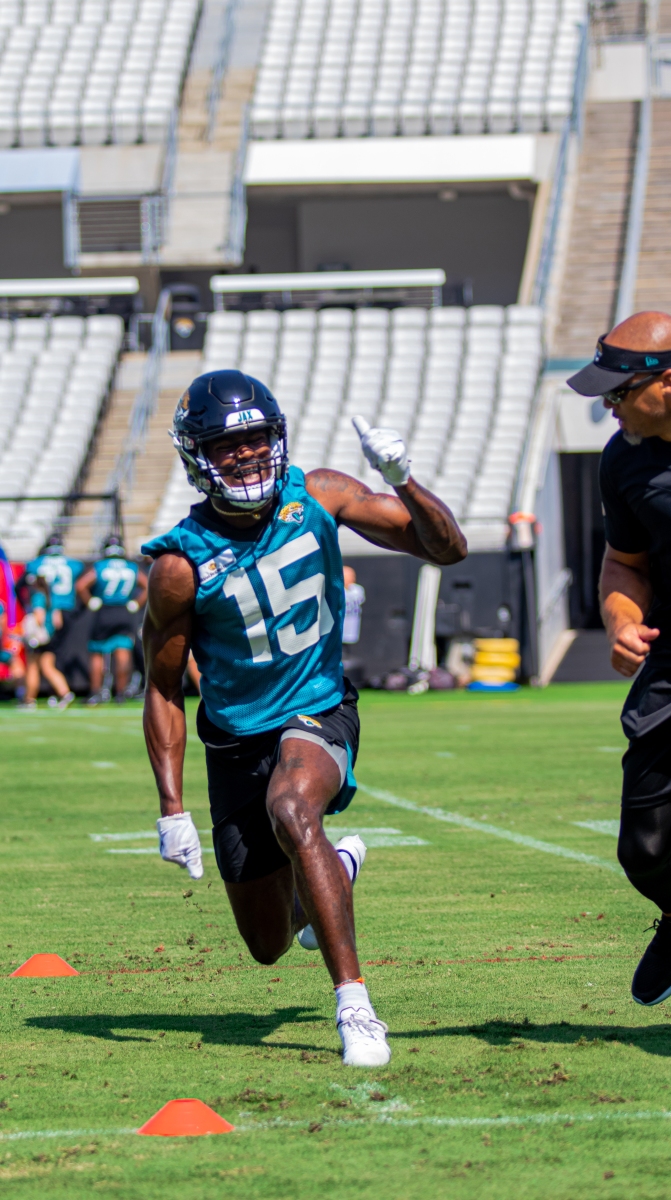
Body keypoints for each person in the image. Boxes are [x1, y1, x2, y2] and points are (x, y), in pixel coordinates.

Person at [141, 369, 466, 1068]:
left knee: (292, 807)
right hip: (235, 740)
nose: (245, 454)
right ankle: (334, 871)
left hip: (317, 708)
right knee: (266, 945)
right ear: (197, 456)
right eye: (225, 445)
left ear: (278, 437)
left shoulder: (319, 493)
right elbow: (163, 686)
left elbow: (447, 548)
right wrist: (171, 807)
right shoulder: (178, 565)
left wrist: (403, 479)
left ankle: (355, 1007)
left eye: (256, 438)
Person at [567, 310, 671, 1007]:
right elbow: (623, 564)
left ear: (666, 382)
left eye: (617, 393)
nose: (607, 407)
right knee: (642, 851)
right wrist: (622, 621)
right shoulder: (623, 459)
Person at [76, 534, 148, 705]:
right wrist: (136, 603)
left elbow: (80, 585)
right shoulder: (131, 567)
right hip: (124, 611)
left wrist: (90, 601)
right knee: (123, 652)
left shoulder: (100, 566)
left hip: (105, 611)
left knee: (97, 653)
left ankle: (95, 692)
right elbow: (148, 585)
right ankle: (120, 694)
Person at [19, 574, 74, 711]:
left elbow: (39, 617)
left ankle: (29, 700)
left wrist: (30, 630)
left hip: (39, 638)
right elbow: (58, 622)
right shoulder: (52, 597)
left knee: (32, 667)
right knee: (48, 667)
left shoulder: (38, 596)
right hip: (50, 637)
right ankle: (65, 693)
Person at [342, 565, 365, 646]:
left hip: (352, 624)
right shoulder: (335, 590)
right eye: (348, 576)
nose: (352, 578)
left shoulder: (358, 590)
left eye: (353, 576)